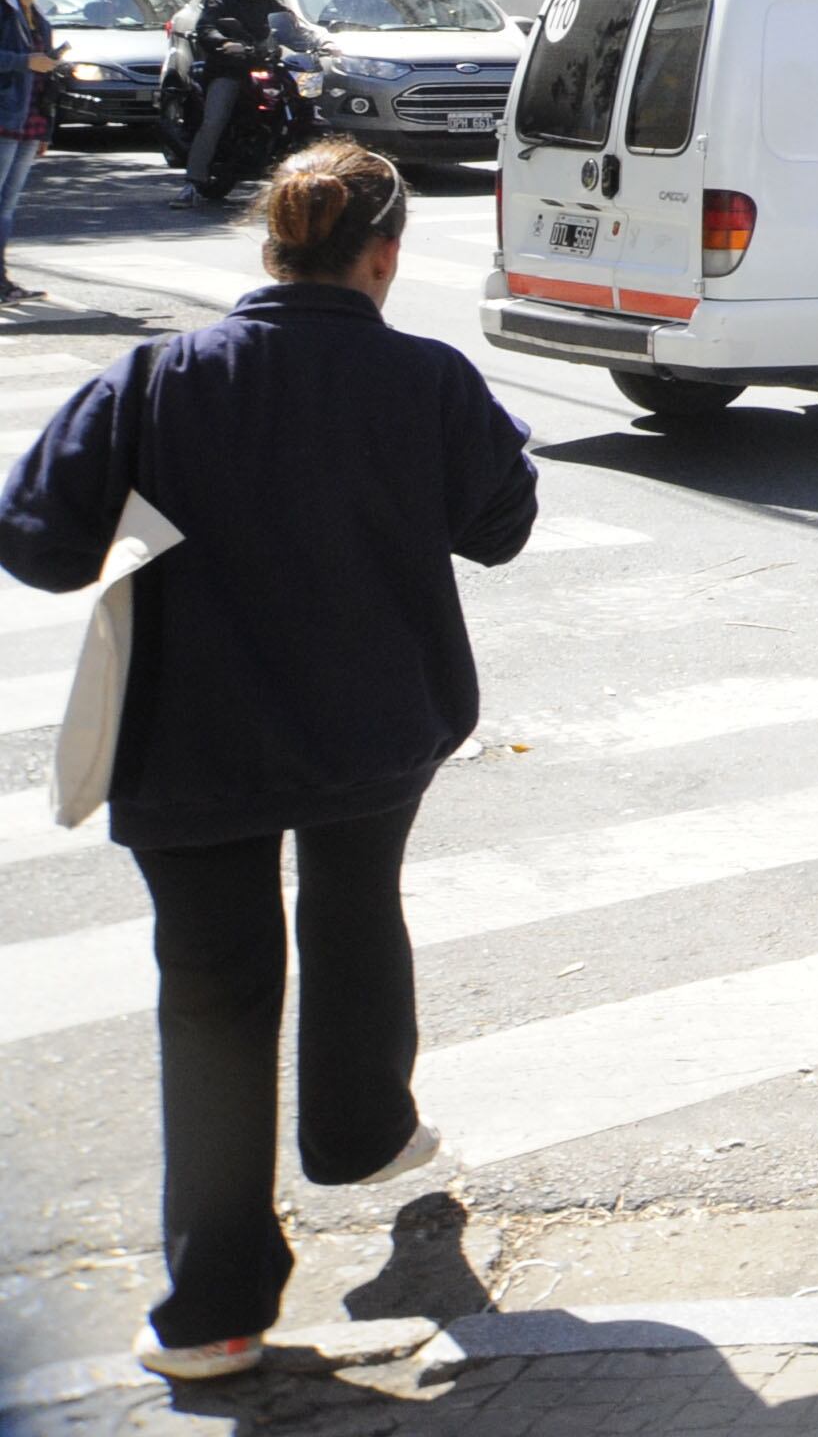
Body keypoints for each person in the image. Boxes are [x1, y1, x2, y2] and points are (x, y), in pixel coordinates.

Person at [2, 143, 537, 1379]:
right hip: (372, 728)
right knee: (355, 915)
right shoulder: (426, 380)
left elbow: (36, 544)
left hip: (190, 745)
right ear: (386, 257)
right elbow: (500, 527)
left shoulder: (154, 380)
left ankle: (214, 1314)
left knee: (212, 1002)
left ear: (269, 245)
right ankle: (359, 1135)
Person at [178, 0, 312, 201]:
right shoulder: (223, 1)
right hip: (230, 70)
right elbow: (206, 27)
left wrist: (321, 43)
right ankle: (192, 183)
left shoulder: (272, 6)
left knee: (303, 106)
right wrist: (224, 41)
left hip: (267, 68)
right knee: (214, 120)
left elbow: (295, 29)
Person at [0, 0, 61, 301]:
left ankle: (2, 279)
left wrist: (46, 129)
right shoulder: (3, 5)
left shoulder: (37, 16)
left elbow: (45, 77)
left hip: (29, 117)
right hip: (5, 116)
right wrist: (24, 61)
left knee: (8, 203)